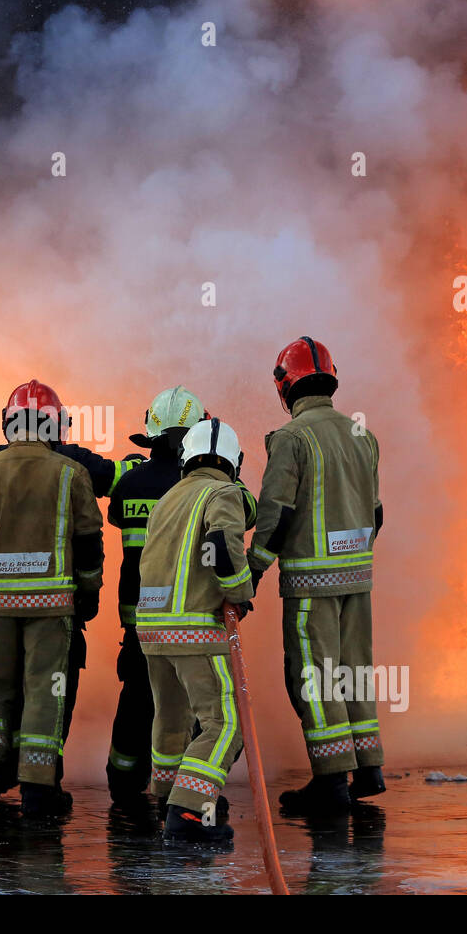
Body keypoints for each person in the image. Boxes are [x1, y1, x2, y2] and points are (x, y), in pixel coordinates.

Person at [247, 337, 384, 817]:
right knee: (352, 671)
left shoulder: (291, 439)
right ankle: (368, 767)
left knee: (313, 676)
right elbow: (377, 513)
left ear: (287, 386)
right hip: (358, 581)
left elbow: (276, 513)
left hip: (311, 586)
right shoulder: (362, 435)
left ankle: (331, 780)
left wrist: (254, 569)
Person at [0, 380, 104, 817]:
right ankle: (39, 787)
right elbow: (90, 542)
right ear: (53, 424)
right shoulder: (70, 472)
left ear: (8, 423)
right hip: (52, 605)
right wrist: (88, 595)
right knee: (45, 690)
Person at [136, 417, 253, 845]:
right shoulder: (223, 492)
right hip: (195, 628)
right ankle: (188, 811)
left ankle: (167, 794)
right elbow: (224, 545)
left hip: (151, 628)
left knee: (171, 719)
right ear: (234, 463)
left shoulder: (168, 498)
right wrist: (240, 592)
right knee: (225, 723)